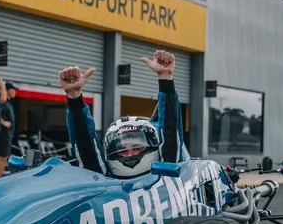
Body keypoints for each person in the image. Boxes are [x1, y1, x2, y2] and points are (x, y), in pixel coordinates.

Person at [59, 49, 187, 178]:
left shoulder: (169, 173)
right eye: (122, 151)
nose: (130, 154)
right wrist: (74, 98)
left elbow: (171, 135)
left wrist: (166, 79)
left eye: (137, 147)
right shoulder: (101, 181)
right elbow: (86, 151)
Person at [0, 82, 18, 178]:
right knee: (1, 156)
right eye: (13, 90)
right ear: (7, 90)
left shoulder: (8, 103)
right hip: (3, 132)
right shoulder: (2, 102)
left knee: (4, 157)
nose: (15, 92)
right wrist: (3, 122)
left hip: (8, 134)